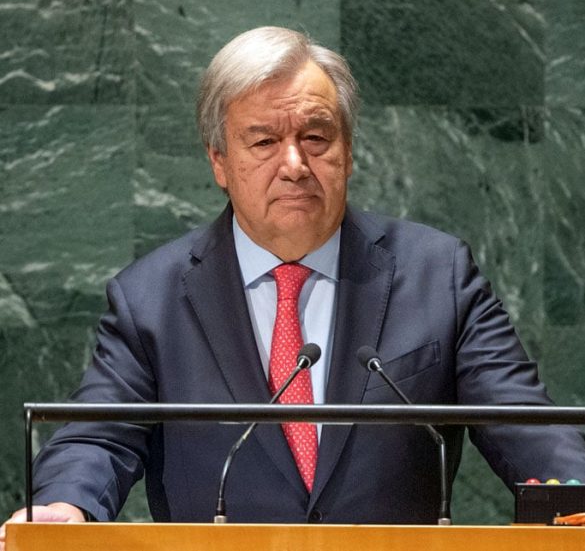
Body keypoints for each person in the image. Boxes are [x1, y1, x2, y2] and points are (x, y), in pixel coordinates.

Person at [2, 26, 585, 543]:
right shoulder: (150, 298)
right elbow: (99, 436)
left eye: (316, 137)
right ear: (219, 162)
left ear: (348, 152)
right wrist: (65, 505)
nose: (294, 165)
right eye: (263, 142)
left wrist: (576, 489)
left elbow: (525, 422)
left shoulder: (438, 274)